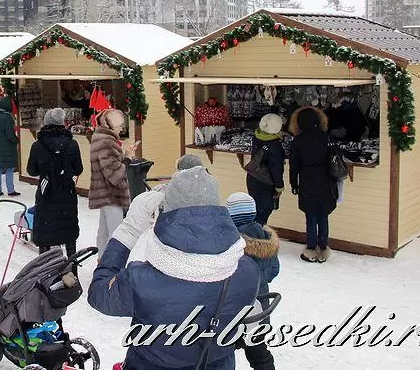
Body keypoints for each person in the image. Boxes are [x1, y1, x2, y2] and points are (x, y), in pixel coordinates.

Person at [87, 166, 260, 370]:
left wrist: (129, 229)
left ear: (168, 212)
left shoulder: (141, 281)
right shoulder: (248, 271)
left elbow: (98, 294)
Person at [226, 192, 280, 370]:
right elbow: (274, 270)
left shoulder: (232, 243)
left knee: (224, 351)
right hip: (261, 308)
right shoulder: (267, 239)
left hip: (236, 309)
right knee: (258, 351)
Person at [26, 108, 83, 258]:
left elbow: (31, 170)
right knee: (68, 231)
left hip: (46, 193)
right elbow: (78, 169)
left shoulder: (37, 146)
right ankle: (72, 271)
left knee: (45, 233)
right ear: (62, 123)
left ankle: (44, 271)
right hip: (67, 193)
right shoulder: (72, 144)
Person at [289, 106, 337, 263]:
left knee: (310, 216)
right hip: (325, 180)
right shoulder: (326, 137)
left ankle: (310, 248)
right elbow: (333, 159)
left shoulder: (298, 141)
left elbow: (294, 165)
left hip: (307, 180)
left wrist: (293, 183)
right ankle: (323, 248)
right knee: (323, 215)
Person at [88, 109, 137, 257]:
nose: (121, 129)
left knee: (103, 231)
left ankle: (102, 261)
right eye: (119, 126)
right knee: (115, 233)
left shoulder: (99, 137)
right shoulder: (107, 142)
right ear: (110, 125)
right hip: (111, 193)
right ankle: (111, 266)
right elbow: (114, 174)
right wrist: (128, 158)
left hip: (103, 191)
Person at [246, 113, 286, 225]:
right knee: (263, 213)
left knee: (256, 211)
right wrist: (279, 187)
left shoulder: (256, 137)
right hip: (266, 183)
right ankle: (258, 239)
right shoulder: (275, 147)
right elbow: (276, 169)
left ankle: (253, 236)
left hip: (253, 178)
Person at [0, 96, 18, 197]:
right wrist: (16, 140)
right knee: (9, 169)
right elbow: (10, 135)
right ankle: (10, 190)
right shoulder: (7, 117)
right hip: (7, 147)